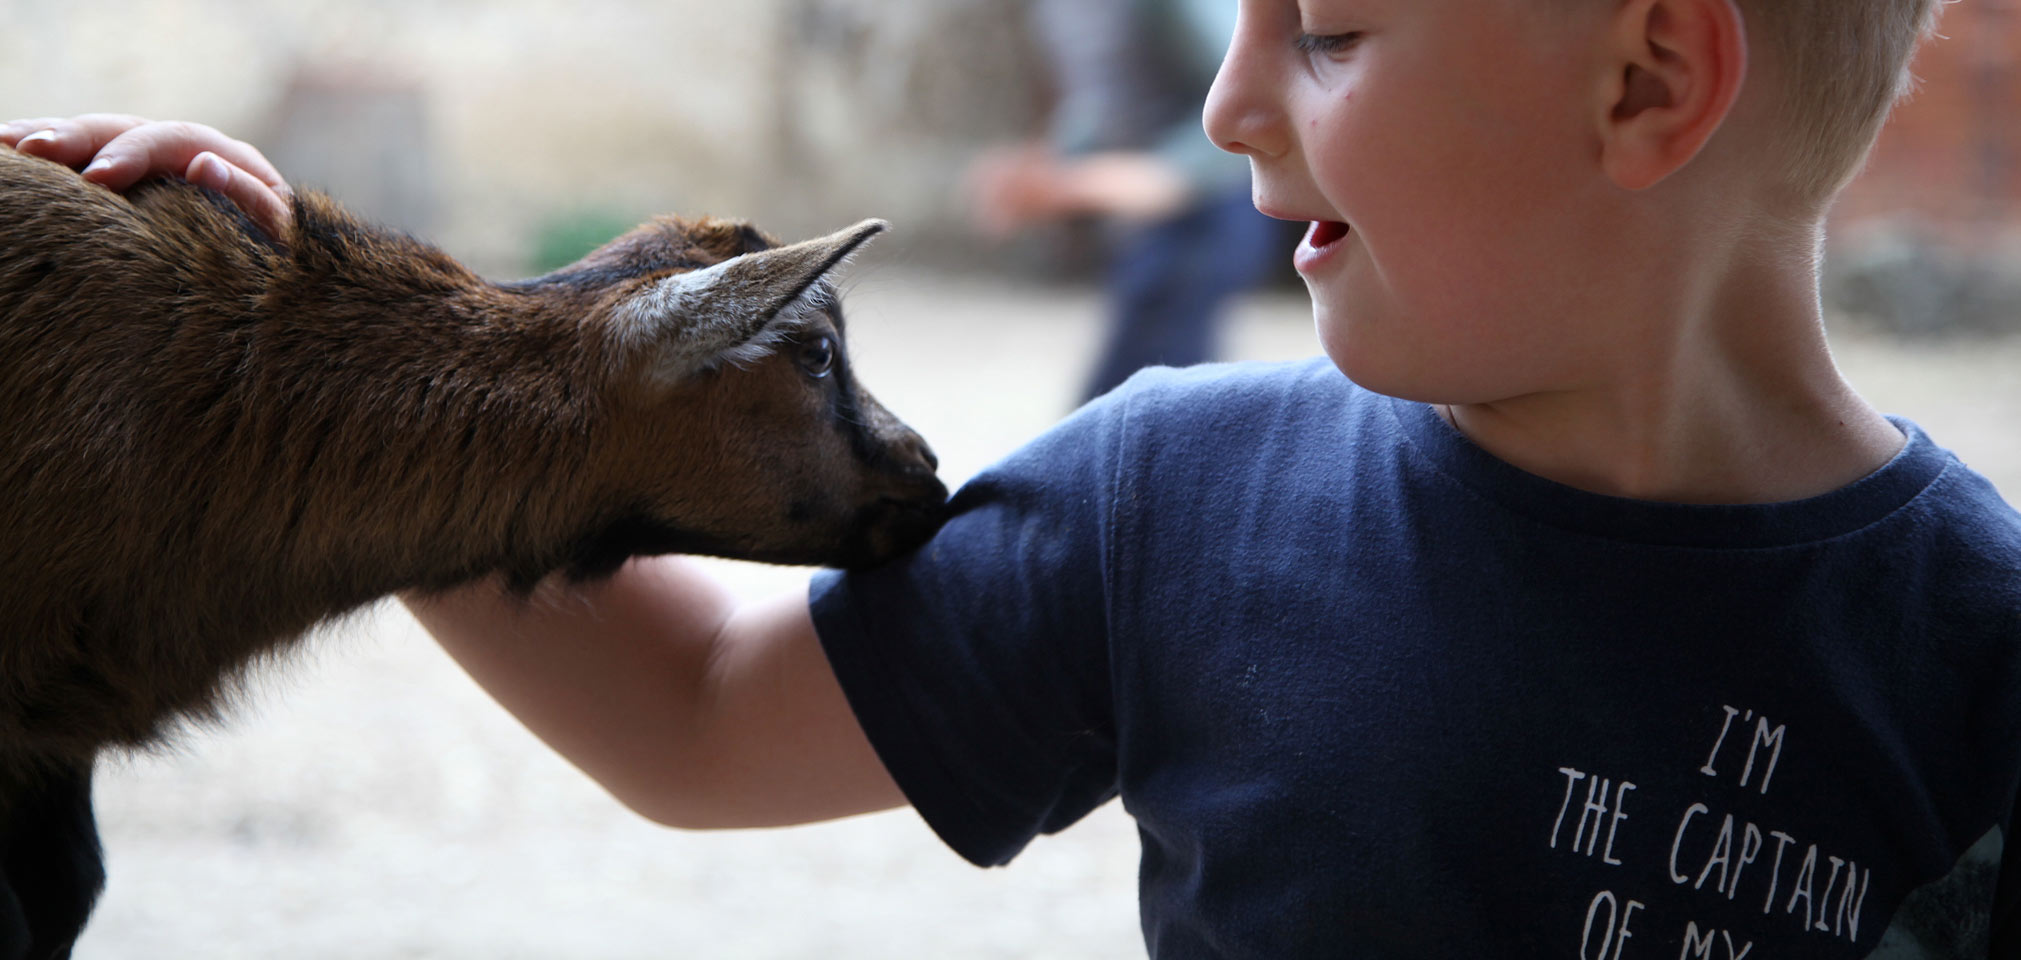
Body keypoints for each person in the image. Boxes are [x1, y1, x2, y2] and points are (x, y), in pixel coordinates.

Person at [10, 0, 2020, 953]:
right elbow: (705, 721)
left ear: (1643, 81)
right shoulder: (1183, 498)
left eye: (1321, 32)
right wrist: (368, 397)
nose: (1227, 101)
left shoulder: (1978, 659)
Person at [968, 0, 1282, 402]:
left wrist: (1163, 176)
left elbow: (1252, 93)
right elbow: (1103, 103)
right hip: (1149, 225)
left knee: (1140, 403)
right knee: (1122, 401)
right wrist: (1048, 165)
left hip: (1212, 209)